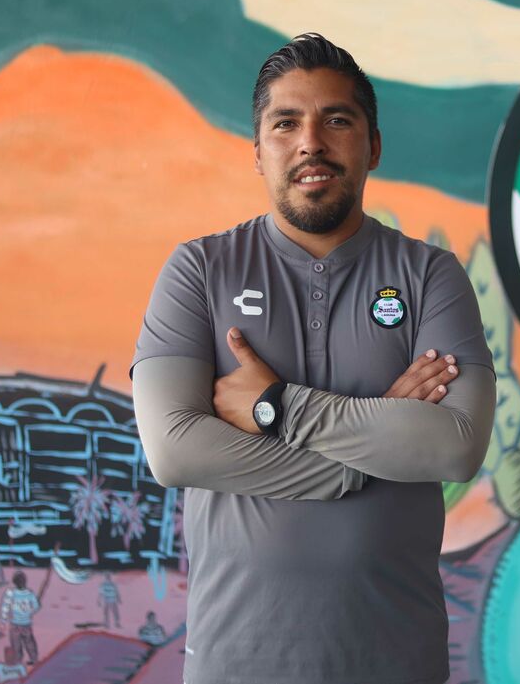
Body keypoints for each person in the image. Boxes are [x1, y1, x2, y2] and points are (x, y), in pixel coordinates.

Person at [131, 33, 496, 684]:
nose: (311, 142)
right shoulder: (200, 271)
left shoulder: (430, 276)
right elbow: (175, 451)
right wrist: (363, 456)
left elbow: (456, 446)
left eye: (337, 120)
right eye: (285, 123)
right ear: (258, 151)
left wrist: (277, 405)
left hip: (396, 663)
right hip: (236, 664)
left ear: (373, 145)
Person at [0, 568, 50, 666]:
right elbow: (36, 606)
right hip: (25, 623)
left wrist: (3, 621)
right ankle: (34, 659)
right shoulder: (30, 593)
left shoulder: (10, 593)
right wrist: (29, 612)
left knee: (16, 644)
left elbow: (5, 607)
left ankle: (19, 661)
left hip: (15, 624)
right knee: (29, 643)